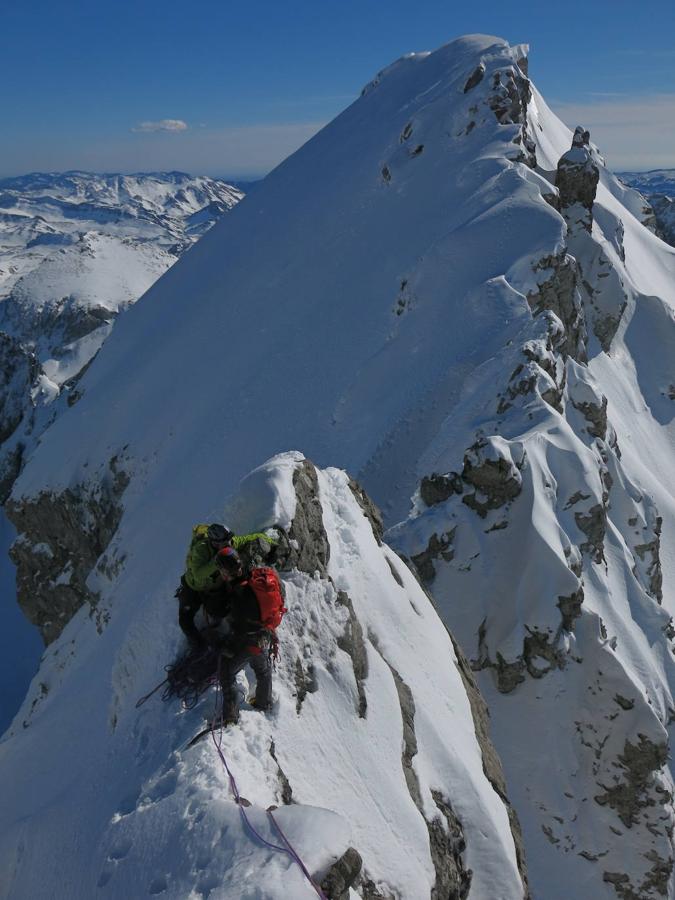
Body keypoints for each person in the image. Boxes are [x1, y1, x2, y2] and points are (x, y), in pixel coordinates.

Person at [213, 546, 286, 724]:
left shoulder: (238, 594)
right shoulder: (254, 578)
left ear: (226, 571)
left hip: (249, 640)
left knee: (226, 673)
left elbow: (240, 627)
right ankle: (263, 702)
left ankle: (230, 716)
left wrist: (228, 647)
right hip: (265, 635)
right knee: (263, 669)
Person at [176, 522, 275, 649]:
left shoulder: (229, 544)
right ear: (214, 542)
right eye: (225, 542)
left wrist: (266, 538)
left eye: (229, 540)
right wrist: (217, 561)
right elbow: (198, 574)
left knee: (219, 611)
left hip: (213, 586)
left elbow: (245, 539)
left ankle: (218, 626)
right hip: (193, 587)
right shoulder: (200, 549)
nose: (229, 544)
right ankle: (198, 645)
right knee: (184, 621)